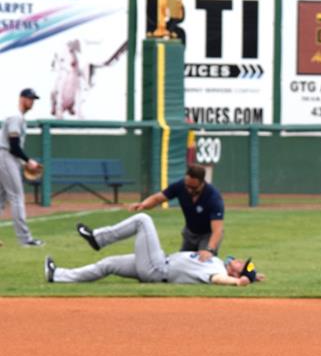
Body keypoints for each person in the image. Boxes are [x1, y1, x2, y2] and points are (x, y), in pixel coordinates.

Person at [44, 212, 261, 286]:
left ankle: (98, 239)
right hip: (157, 265)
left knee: (143, 220)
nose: (239, 260)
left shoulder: (218, 272)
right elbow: (239, 269)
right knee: (108, 264)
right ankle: (57, 275)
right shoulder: (220, 263)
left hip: (157, 269)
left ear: (235, 272)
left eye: (241, 265)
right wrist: (253, 276)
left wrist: (238, 282)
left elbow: (218, 280)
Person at [130, 164, 225, 261]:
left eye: (193, 188)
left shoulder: (213, 197)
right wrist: (143, 205)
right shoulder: (180, 186)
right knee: (181, 262)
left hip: (207, 235)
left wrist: (209, 250)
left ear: (202, 183)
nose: (189, 190)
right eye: (187, 186)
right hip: (190, 233)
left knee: (203, 264)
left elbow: (217, 230)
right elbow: (157, 198)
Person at [0, 88, 45, 247]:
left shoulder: (18, 117)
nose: (31, 101)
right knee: (17, 197)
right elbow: (13, 146)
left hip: (5, 156)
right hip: (6, 156)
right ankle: (25, 240)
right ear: (21, 98)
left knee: (1, 198)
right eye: (29, 98)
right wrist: (28, 161)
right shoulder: (15, 117)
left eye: (33, 99)